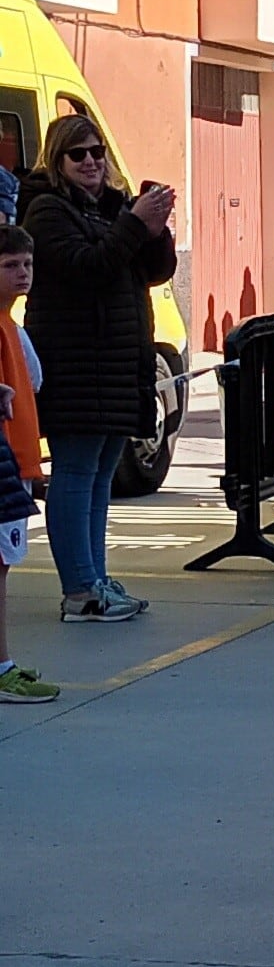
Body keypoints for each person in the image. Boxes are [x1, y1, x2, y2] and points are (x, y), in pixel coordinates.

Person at [23, 112, 176, 624]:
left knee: (102, 474)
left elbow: (151, 271)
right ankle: (80, 590)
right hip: (76, 362)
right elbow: (88, 269)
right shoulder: (46, 211)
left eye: (97, 152)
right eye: (78, 154)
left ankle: (96, 576)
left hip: (118, 362)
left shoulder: (110, 208)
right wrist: (134, 224)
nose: (91, 162)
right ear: (58, 160)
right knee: (75, 471)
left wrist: (153, 230)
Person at [0, 225, 57, 700]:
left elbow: (33, 382)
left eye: (27, 265)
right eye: (9, 266)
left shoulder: (12, 326)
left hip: (18, 462)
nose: (22, 274)